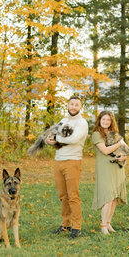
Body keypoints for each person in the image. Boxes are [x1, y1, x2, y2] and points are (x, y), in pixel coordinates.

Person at [45, 96, 89, 239]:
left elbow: (73, 139)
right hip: (58, 161)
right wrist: (49, 140)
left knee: (73, 196)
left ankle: (76, 227)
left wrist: (57, 139)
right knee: (63, 196)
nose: (74, 107)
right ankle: (66, 224)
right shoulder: (63, 121)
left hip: (73, 161)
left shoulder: (82, 123)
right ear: (68, 105)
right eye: (71, 104)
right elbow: (53, 137)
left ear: (80, 107)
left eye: (77, 105)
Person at [91, 111, 127, 235]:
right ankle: (103, 226)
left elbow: (124, 149)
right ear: (99, 120)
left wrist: (124, 156)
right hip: (105, 167)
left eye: (108, 120)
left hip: (116, 168)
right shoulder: (96, 134)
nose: (106, 122)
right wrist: (119, 143)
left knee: (114, 198)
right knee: (108, 197)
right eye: (103, 119)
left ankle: (108, 223)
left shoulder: (113, 134)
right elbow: (105, 150)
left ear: (111, 122)